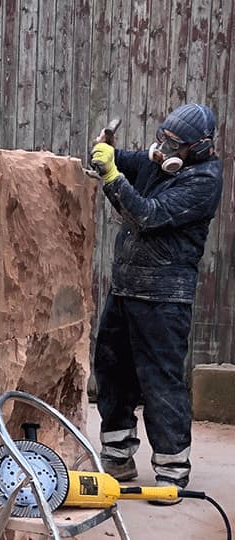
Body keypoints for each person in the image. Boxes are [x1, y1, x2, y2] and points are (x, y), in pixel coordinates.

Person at [90, 103, 223, 504]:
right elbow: (127, 162)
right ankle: (117, 455)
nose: (162, 148)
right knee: (111, 370)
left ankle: (171, 471)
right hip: (127, 287)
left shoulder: (202, 181)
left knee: (161, 382)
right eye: (162, 138)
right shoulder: (163, 163)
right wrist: (107, 154)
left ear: (198, 148)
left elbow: (147, 214)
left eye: (173, 144)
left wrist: (112, 178)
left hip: (164, 297)